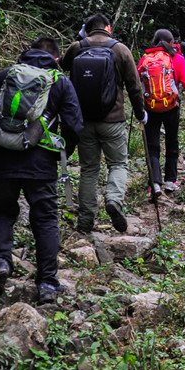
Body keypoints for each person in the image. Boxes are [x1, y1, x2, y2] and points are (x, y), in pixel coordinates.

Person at [0, 37, 82, 304]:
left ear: (26, 53)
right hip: (41, 164)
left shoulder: (3, 76)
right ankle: (46, 283)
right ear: (56, 58)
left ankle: (0, 261)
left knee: (1, 211)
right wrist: (62, 153)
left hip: (1, 160)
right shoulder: (59, 82)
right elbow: (74, 124)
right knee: (45, 219)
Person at [60, 13, 145, 233]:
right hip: (114, 120)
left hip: (85, 121)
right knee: (118, 164)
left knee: (89, 169)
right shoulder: (121, 50)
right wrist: (140, 112)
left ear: (87, 30)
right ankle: (114, 200)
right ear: (108, 28)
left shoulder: (77, 46)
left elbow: (63, 66)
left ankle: (86, 220)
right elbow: (134, 87)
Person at [138, 28, 185, 195]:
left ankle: (155, 183)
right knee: (172, 142)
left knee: (153, 146)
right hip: (171, 107)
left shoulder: (145, 59)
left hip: (150, 108)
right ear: (172, 43)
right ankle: (170, 181)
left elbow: (137, 80)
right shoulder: (176, 59)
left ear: (154, 42)